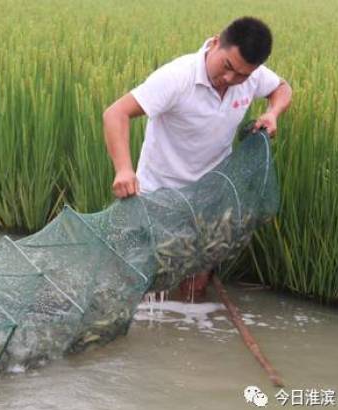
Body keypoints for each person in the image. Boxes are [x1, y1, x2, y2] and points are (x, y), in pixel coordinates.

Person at [102, 17, 292, 300]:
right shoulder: (177, 77)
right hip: (158, 196)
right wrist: (123, 171)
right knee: (140, 284)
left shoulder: (252, 77)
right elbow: (115, 113)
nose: (231, 78)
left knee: (194, 289)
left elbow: (282, 88)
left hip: (209, 200)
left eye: (242, 75)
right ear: (216, 42)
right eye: (227, 66)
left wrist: (272, 113)